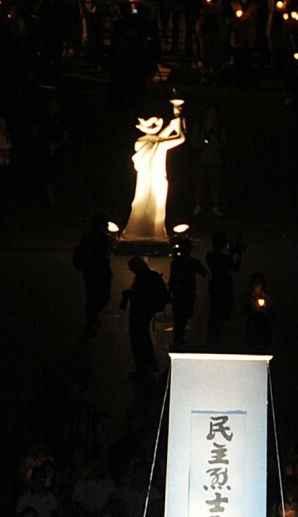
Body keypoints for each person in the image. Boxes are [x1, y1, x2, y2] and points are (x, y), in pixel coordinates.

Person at [122, 107, 185, 242]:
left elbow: (156, 139)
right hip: (156, 180)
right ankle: (152, 233)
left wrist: (171, 125)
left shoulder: (140, 142)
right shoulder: (159, 143)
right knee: (154, 205)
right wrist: (178, 122)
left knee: (143, 203)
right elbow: (180, 138)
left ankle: (141, 231)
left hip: (146, 181)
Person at [120, 256, 170, 378]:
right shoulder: (149, 276)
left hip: (141, 313)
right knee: (144, 339)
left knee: (139, 341)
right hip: (145, 312)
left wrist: (130, 295)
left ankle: (143, 368)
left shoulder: (143, 278)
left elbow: (141, 295)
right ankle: (148, 366)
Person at [72, 214, 115, 335]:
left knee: (95, 297)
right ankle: (91, 319)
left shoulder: (90, 235)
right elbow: (101, 253)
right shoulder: (98, 237)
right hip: (97, 270)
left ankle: (92, 318)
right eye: (105, 223)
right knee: (99, 296)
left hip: (92, 271)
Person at [166, 231, 206, 348]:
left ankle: (178, 337)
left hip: (179, 292)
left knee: (179, 316)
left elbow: (172, 280)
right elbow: (204, 273)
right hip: (187, 292)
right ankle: (179, 338)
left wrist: (169, 293)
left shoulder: (176, 263)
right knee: (183, 316)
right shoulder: (192, 262)